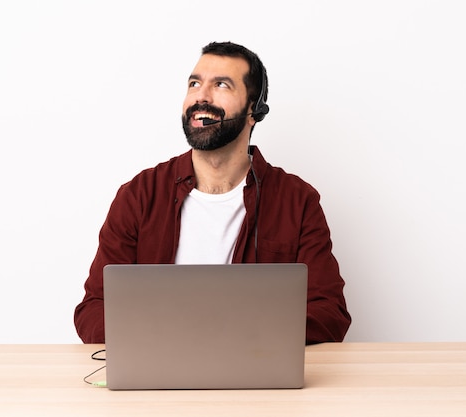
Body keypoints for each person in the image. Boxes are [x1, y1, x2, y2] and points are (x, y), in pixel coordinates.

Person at [74, 41, 351, 344]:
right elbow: (94, 308)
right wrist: (164, 340)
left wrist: (239, 337)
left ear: (254, 111)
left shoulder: (297, 201)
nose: (201, 96)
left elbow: (329, 313)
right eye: (194, 83)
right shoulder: (139, 195)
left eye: (221, 84)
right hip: (157, 378)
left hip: (256, 376)